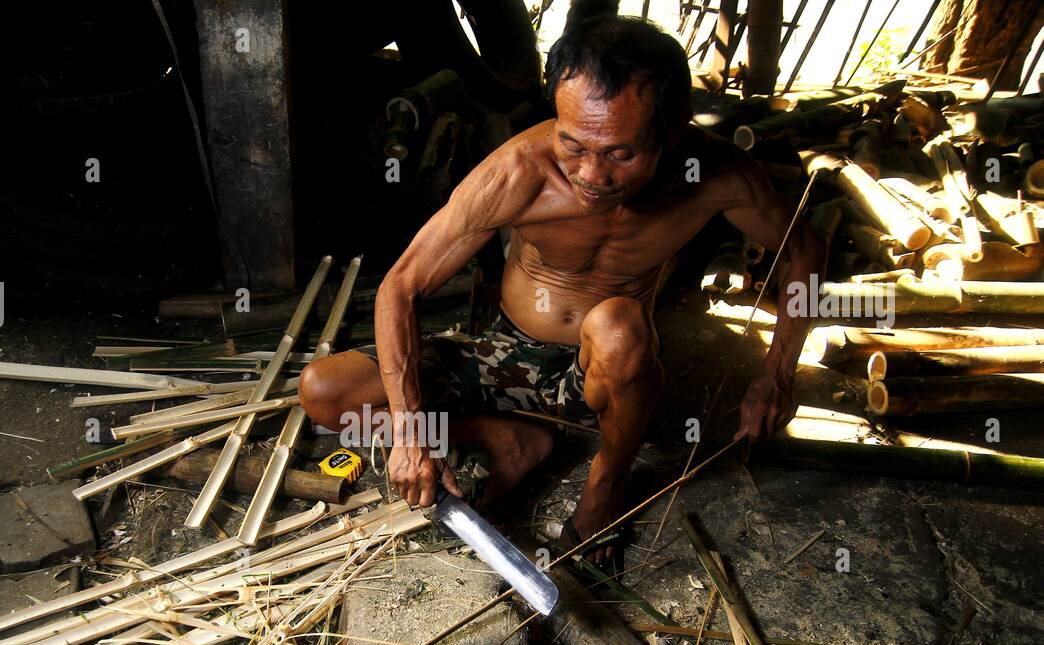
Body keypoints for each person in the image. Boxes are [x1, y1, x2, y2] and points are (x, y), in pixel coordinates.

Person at [300, 15, 825, 569]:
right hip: (504, 354)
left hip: (601, 374)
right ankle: (511, 440)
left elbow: (805, 249)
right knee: (323, 392)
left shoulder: (713, 174)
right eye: (573, 145)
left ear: (671, 134)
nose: (591, 174)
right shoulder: (520, 172)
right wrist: (410, 431)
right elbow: (401, 285)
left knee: (618, 324)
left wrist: (778, 370)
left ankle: (608, 479)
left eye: (621, 154)